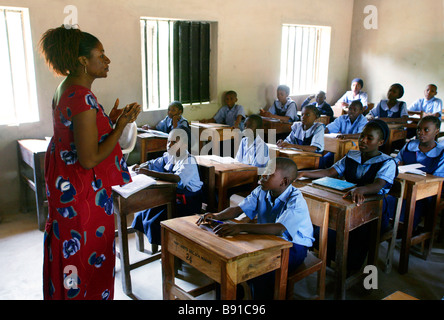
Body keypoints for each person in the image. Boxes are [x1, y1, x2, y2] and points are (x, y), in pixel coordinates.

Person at [39, 26, 141, 300]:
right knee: (86, 251)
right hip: (83, 193)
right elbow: (89, 158)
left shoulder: (66, 89)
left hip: (65, 184)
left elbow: (78, 135)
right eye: (101, 54)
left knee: (70, 251)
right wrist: (119, 127)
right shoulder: (82, 96)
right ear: (83, 61)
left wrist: (106, 120)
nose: (107, 60)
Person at [197, 157, 314, 300]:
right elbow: (238, 209)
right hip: (268, 239)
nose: (263, 175)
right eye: (264, 170)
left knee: (260, 269)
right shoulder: (262, 190)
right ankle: (233, 292)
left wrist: (239, 228)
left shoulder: (296, 200)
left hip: (294, 246)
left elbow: (279, 229)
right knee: (228, 255)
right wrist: (216, 216)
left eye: (269, 173)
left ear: (284, 182)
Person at [298, 120, 398, 272]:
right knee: (323, 228)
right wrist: (304, 173)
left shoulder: (387, 162)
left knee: (354, 238)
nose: (363, 140)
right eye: (362, 136)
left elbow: (379, 184)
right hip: (349, 203)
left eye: (369, 138)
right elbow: (329, 172)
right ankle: (331, 260)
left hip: (373, 212)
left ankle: (348, 269)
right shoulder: (352, 155)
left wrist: (362, 190)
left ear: (380, 142)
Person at [131, 129, 203, 246]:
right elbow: (154, 163)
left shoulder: (189, 161)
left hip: (187, 203)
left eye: (174, 142)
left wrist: (149, 173)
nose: (170, 145)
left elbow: (176, 179)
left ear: (184, 145)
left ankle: (166, 250)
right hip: (172, 198)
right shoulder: (169, 157)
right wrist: (141, 166)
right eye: (168, 141)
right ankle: (159, 244)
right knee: (144, 212)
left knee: (156, 220)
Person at [385, 116, 444, 232]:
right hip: (405, 186)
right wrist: (397, 164)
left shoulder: (441, 153)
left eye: (426, 130)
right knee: (389, 198)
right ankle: (389, 225)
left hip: (427, 191)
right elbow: (397, 161)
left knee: (412, 206)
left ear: (436, 131)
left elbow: (437, 178)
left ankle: (407, 230)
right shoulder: (410, 145)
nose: (420, 133)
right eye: (418, 129)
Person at [321, 100, 368, 168]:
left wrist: (346, 136)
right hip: (340, 148)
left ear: (361, 111)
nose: (351, 111)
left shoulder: (363, 120)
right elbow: (330, 128)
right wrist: (320, 130)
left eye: (355, 110)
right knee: (324, 160)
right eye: (350, 109)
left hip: (356, 150)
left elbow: (361, 135)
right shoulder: (342, 118)